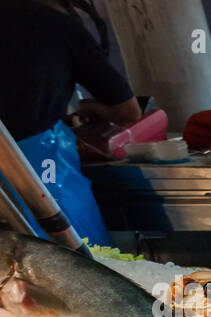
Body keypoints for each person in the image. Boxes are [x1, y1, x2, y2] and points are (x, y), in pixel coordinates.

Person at [0, 0, 140, 245]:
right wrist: (94, 109)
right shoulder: (55, 23)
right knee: (78, 266)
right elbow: (128, 111)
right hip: (41, 170)